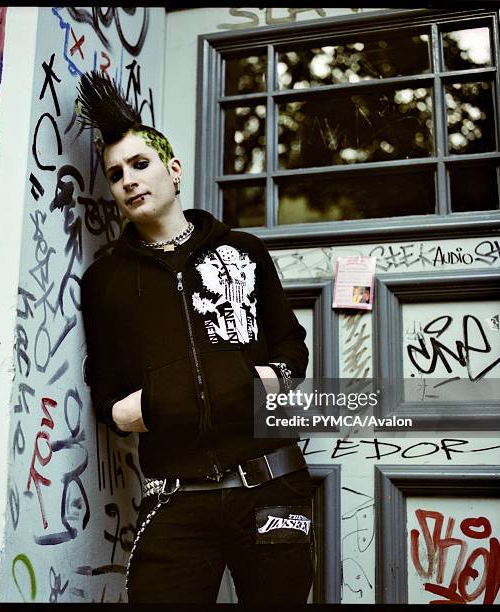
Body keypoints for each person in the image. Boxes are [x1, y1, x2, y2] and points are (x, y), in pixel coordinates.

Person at [77, 71, 315, 604]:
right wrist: (143, 408)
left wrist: (260, 379)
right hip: (174, 501)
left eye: (141, 165)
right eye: (116, 175)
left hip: (271, 489)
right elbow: (107, 393)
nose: (129, 181)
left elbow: (291, 346)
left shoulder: (243, 251)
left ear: (174, 169)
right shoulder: (106, 281)